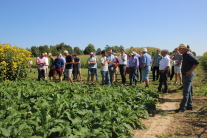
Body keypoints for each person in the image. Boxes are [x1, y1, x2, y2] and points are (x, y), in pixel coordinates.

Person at [175, 44, 199, 113]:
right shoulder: (185, 54)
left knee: (186, 92)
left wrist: (190, 71)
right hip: (186, 75)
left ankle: (182, 107)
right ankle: (189, 105)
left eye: (180, 49)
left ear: (184, 49)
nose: (179, 50)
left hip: (188, 75)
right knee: (189, 91)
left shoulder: (188, 54)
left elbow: (196, 62)